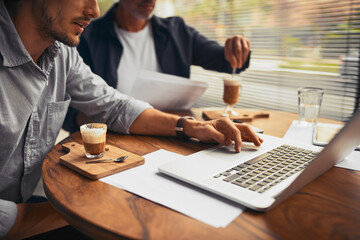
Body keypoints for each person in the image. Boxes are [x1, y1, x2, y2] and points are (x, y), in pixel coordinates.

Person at [0, 0, 262, 239]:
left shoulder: (62, 53)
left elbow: (113, 105)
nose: (94, 10)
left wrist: (190, 126)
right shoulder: (83, 37)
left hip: (31, 203)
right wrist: (88, 204)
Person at [63, 0, 251, 133]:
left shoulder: (177, 32)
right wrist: (104, 118)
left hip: (175, 133)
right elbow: (67, 109)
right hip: (115, 140)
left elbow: (227, 61)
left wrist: (237, 48)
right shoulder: (85, 36)